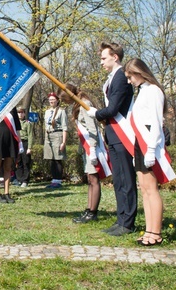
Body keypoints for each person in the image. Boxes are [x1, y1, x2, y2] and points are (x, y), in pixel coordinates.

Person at [85, 42, 137, 236]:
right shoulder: (112, 78)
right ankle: (121, 219)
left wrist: (95, 113)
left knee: (126, 179)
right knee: (118, 180)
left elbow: (113, 109)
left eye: (104, 58)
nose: (101, 62)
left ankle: (128, 223)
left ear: (115, 57)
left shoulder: (122, 78)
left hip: (122, 133)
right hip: (113, 134)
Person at [123, 58, 175, 246]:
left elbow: (154, 121)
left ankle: (156, 233)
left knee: (151, 190)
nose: (129, 81)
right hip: (140, 144)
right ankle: (148, 230)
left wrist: (151, 149)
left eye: (130, 76)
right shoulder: (143, 91)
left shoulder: (153, 91)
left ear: (139, 72)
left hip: (148, 144)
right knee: (144, 189)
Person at [61, 84, 106, 223]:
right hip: (86, 147)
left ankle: (93, 212)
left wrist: (92, 149)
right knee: (90, 179)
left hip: (93, 147)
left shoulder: (84, 104)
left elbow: (92, 128)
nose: (63, 102)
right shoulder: (77, 105)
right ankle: (88, 209)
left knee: (94, 179)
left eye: (64, 99)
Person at [0, 110, 23, 203]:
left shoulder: (12, 108)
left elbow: (17, 128)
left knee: (8, 167)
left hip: (11, 140)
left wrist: (20, 143)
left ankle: (7, 193)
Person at [43, 92, 67, 188]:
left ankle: (58, 181)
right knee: (51, 159)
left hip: (58, 134)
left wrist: (63, 142)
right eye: (50, 100)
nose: (51, 101)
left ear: (57, 100)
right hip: (48, 135)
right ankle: (54, 180)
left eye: (53, 99)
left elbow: (65, 127)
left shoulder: (61, 111)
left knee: (58, 159)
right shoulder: (47, 111)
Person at [15, 107, 33, 187]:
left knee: (26, 161)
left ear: (24, 114)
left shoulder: (27, 123)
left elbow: (30, 135)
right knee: (18, 162)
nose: (20, 114)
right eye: (19, 112)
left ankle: (25, 180)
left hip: (25, 142)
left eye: (22, 112)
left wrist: (29, 147)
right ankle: (19, 179)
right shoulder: (15, 123)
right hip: (17, 142)